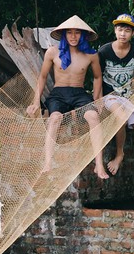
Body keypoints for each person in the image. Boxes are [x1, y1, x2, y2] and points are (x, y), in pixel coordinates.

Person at [26, 15, 108, 179]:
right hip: (59, 94)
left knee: (93, 116)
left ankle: (99, 165)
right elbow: (42, 77)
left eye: (77, 32)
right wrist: (36, 101)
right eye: (69, 33)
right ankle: (48, 162)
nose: (73, 36)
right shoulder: (53, 52)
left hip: (79, 93)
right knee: (55, 118)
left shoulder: (91, 55)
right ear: (64, 34)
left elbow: (98, 77)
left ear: (82, 35)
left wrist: (98, 99)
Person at [97, 13, 134, 178]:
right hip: (109, 96)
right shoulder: (104, 51)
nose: (123, 33)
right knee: (121, 116)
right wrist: (98, 100)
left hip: (129, 98)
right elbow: (97, 77)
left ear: (133, 33)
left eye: (127, 30)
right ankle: (119, 154)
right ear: (115, 30)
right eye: (120, 29)